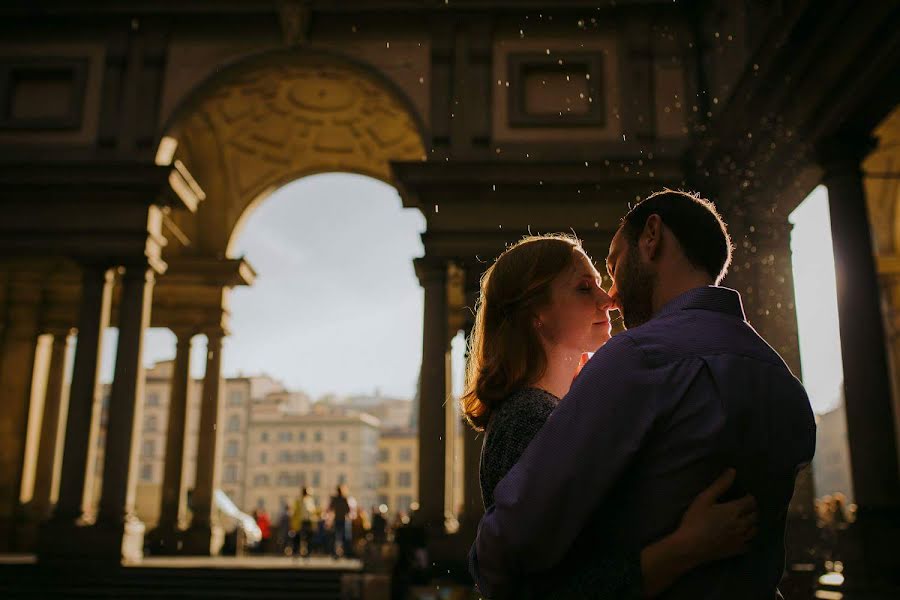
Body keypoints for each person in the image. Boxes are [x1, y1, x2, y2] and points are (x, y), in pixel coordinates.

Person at [470, 191, 817, 599]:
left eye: (613, 265)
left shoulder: (635, 361)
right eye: (588, 286)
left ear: (651, 237)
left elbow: (508, 553)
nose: (611, 297)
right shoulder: (783, 381)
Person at [291, 487, 316, 558]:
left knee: (309, 538)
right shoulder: (299, 501)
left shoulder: (310, 501)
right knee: (298, 538)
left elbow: (312, 512)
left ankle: (307, 553)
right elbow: (295, 512)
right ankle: (296, 553)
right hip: (301, 522)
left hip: (309, 522)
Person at [328, 484, 352, 558]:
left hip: (338, 519)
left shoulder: (336, 499)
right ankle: (343, 552)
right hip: (342, 520)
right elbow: (348, 510)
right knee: (342, 537)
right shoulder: (343, 499)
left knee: (337, 537)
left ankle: (336, 552)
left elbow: (330, 508)